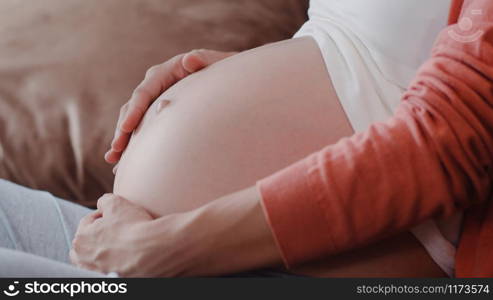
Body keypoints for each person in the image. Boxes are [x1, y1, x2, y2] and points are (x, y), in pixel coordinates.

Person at [1, 0, 491, 277]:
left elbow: (449, 141)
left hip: (215, 254)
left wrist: (173, 247)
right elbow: (378, 53)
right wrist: (279, 64)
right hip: (146, 250)